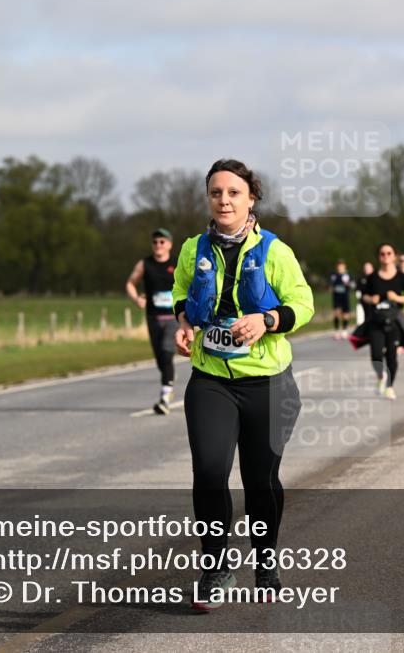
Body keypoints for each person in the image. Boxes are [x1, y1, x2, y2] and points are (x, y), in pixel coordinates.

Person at [171, 159, 314, 610]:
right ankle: (214, 569)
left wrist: (267, 320)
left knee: (260, 480)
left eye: (233, 192)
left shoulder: (275, 251)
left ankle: (266, 561)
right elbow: (181, 292)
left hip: (268, 383)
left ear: (251, 197)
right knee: (210, 473)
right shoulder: (193, 248)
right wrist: (182, 324)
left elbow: (303, 305)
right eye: (216, 193)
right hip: (211, 380)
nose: (224, 200)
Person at [350, 243, 404, 400]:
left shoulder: (401, 277)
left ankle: (390, 386)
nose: (386, 256)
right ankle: (381, 377)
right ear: (379, 257)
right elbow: (364, 295)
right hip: (376, 321)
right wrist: (371, 299)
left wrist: (397, 298)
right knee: (375, 355)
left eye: (389, 253)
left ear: (394, 256)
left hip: (393, 321)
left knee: (392, 356)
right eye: (382, 254)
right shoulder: (373, 277)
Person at [126, 228, 178, 414]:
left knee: (166, 352)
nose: (158, 245)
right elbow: (131, 283)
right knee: (160, 360)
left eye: (162, 242)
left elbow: (189, 284)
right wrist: (136, 299)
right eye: (155, 242)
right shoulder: (145, 264)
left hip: (173, 318)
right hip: (153, 318)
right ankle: (169, 380)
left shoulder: (177, 263)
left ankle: (165, 396)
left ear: (169, 245)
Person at [329, 259, 353, 340]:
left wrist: (348, 284)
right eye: (339, 266)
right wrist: (332, 289)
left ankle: (344, 330)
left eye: (341, 266)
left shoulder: (347, 275)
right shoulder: (334, 275)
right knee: (336, 313)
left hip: (345, 296)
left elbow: (352, 285)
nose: (340, 267)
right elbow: (331, 286)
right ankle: (336, 331)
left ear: (344, 266)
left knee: (345, 314)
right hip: (336, 297)